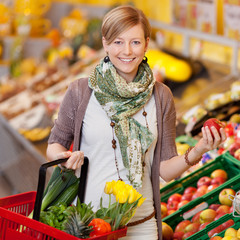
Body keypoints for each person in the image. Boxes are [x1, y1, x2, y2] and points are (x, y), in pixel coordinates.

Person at [46, 5, 226, 240]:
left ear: (147, 43)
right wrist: (65, 158)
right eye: (118, 42)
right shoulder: (81, 92)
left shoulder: (161, 97)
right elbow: (54, 145)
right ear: (105, 44)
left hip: (141, 225)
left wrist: (200, 148)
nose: (127, 51)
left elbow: (164, 169)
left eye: (135, 42)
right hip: (90, 225)